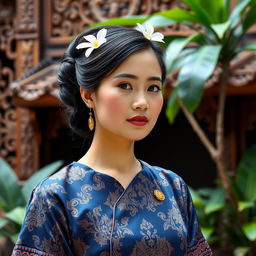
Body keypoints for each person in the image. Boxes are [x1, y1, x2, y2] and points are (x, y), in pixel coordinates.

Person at [12, 24, 212, 256]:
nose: (142, 102)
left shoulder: (172, 186)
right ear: (88, 94)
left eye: (153, 87)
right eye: (125, 85)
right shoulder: (57, 194)